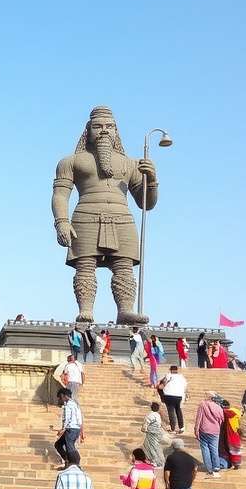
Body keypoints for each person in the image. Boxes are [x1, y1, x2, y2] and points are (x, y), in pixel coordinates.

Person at [50, 106, 159, 325]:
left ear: (116, 131)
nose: (104, 131)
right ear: (88, 130)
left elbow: (146, 204)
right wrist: (61, 222)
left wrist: (152, 180)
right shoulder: (70, 162)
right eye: (98, 126)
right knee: (85, 266)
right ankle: (86, 310)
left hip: (122, 219)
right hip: (85, 216)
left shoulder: (132, 164)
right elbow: (60, 195)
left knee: (123, 267)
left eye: (109, 126)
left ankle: (125, 310)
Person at [195, 391, 225, 477]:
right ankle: (216, 466)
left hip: (204, 429)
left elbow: (199, 418)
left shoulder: (202, 404)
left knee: (205, 449)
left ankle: (209, 468)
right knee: (214, 449)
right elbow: (221, 419)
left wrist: (196, 429)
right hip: (215, 430)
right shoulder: (218, 407)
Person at [54, 388, 83, 469]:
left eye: (59, 398)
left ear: (63, 396)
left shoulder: (68, 405)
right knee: (58, 444)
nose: (59, 400)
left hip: (71, 429)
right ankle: (68, 462)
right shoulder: (75, 404)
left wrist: (63, 429)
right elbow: (80, 418)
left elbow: (67, 418)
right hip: (76, 428)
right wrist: (80, 429)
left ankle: (75, 464)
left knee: (70, 447)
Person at [159, 365, 188, 433]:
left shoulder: (168, 376)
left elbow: (162, 386)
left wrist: (158, 387)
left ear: (170, 370)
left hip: (169, 395)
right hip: (179, 396)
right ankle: (181, 427)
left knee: (171, 411)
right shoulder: (182, 377)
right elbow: (185, 387)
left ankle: (173, 428)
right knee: (178, 411)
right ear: (177, 370)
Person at [218, 400, 242, 469]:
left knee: (232, 449)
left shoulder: (228, 413)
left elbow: (224, 412)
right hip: (235, 433)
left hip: (230, 434)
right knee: (235, 449)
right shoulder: (235, 412)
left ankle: (235, 463)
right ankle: (236, 463)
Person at [141, 402, 165, 467]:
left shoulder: (150, 415)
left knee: (151, 446)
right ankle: (149, 458)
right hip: (157, 433)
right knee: (149, 445)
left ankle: (154, 460)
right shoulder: (157, 415)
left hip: (152, 433)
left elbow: (146, 423)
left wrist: (144, 429)